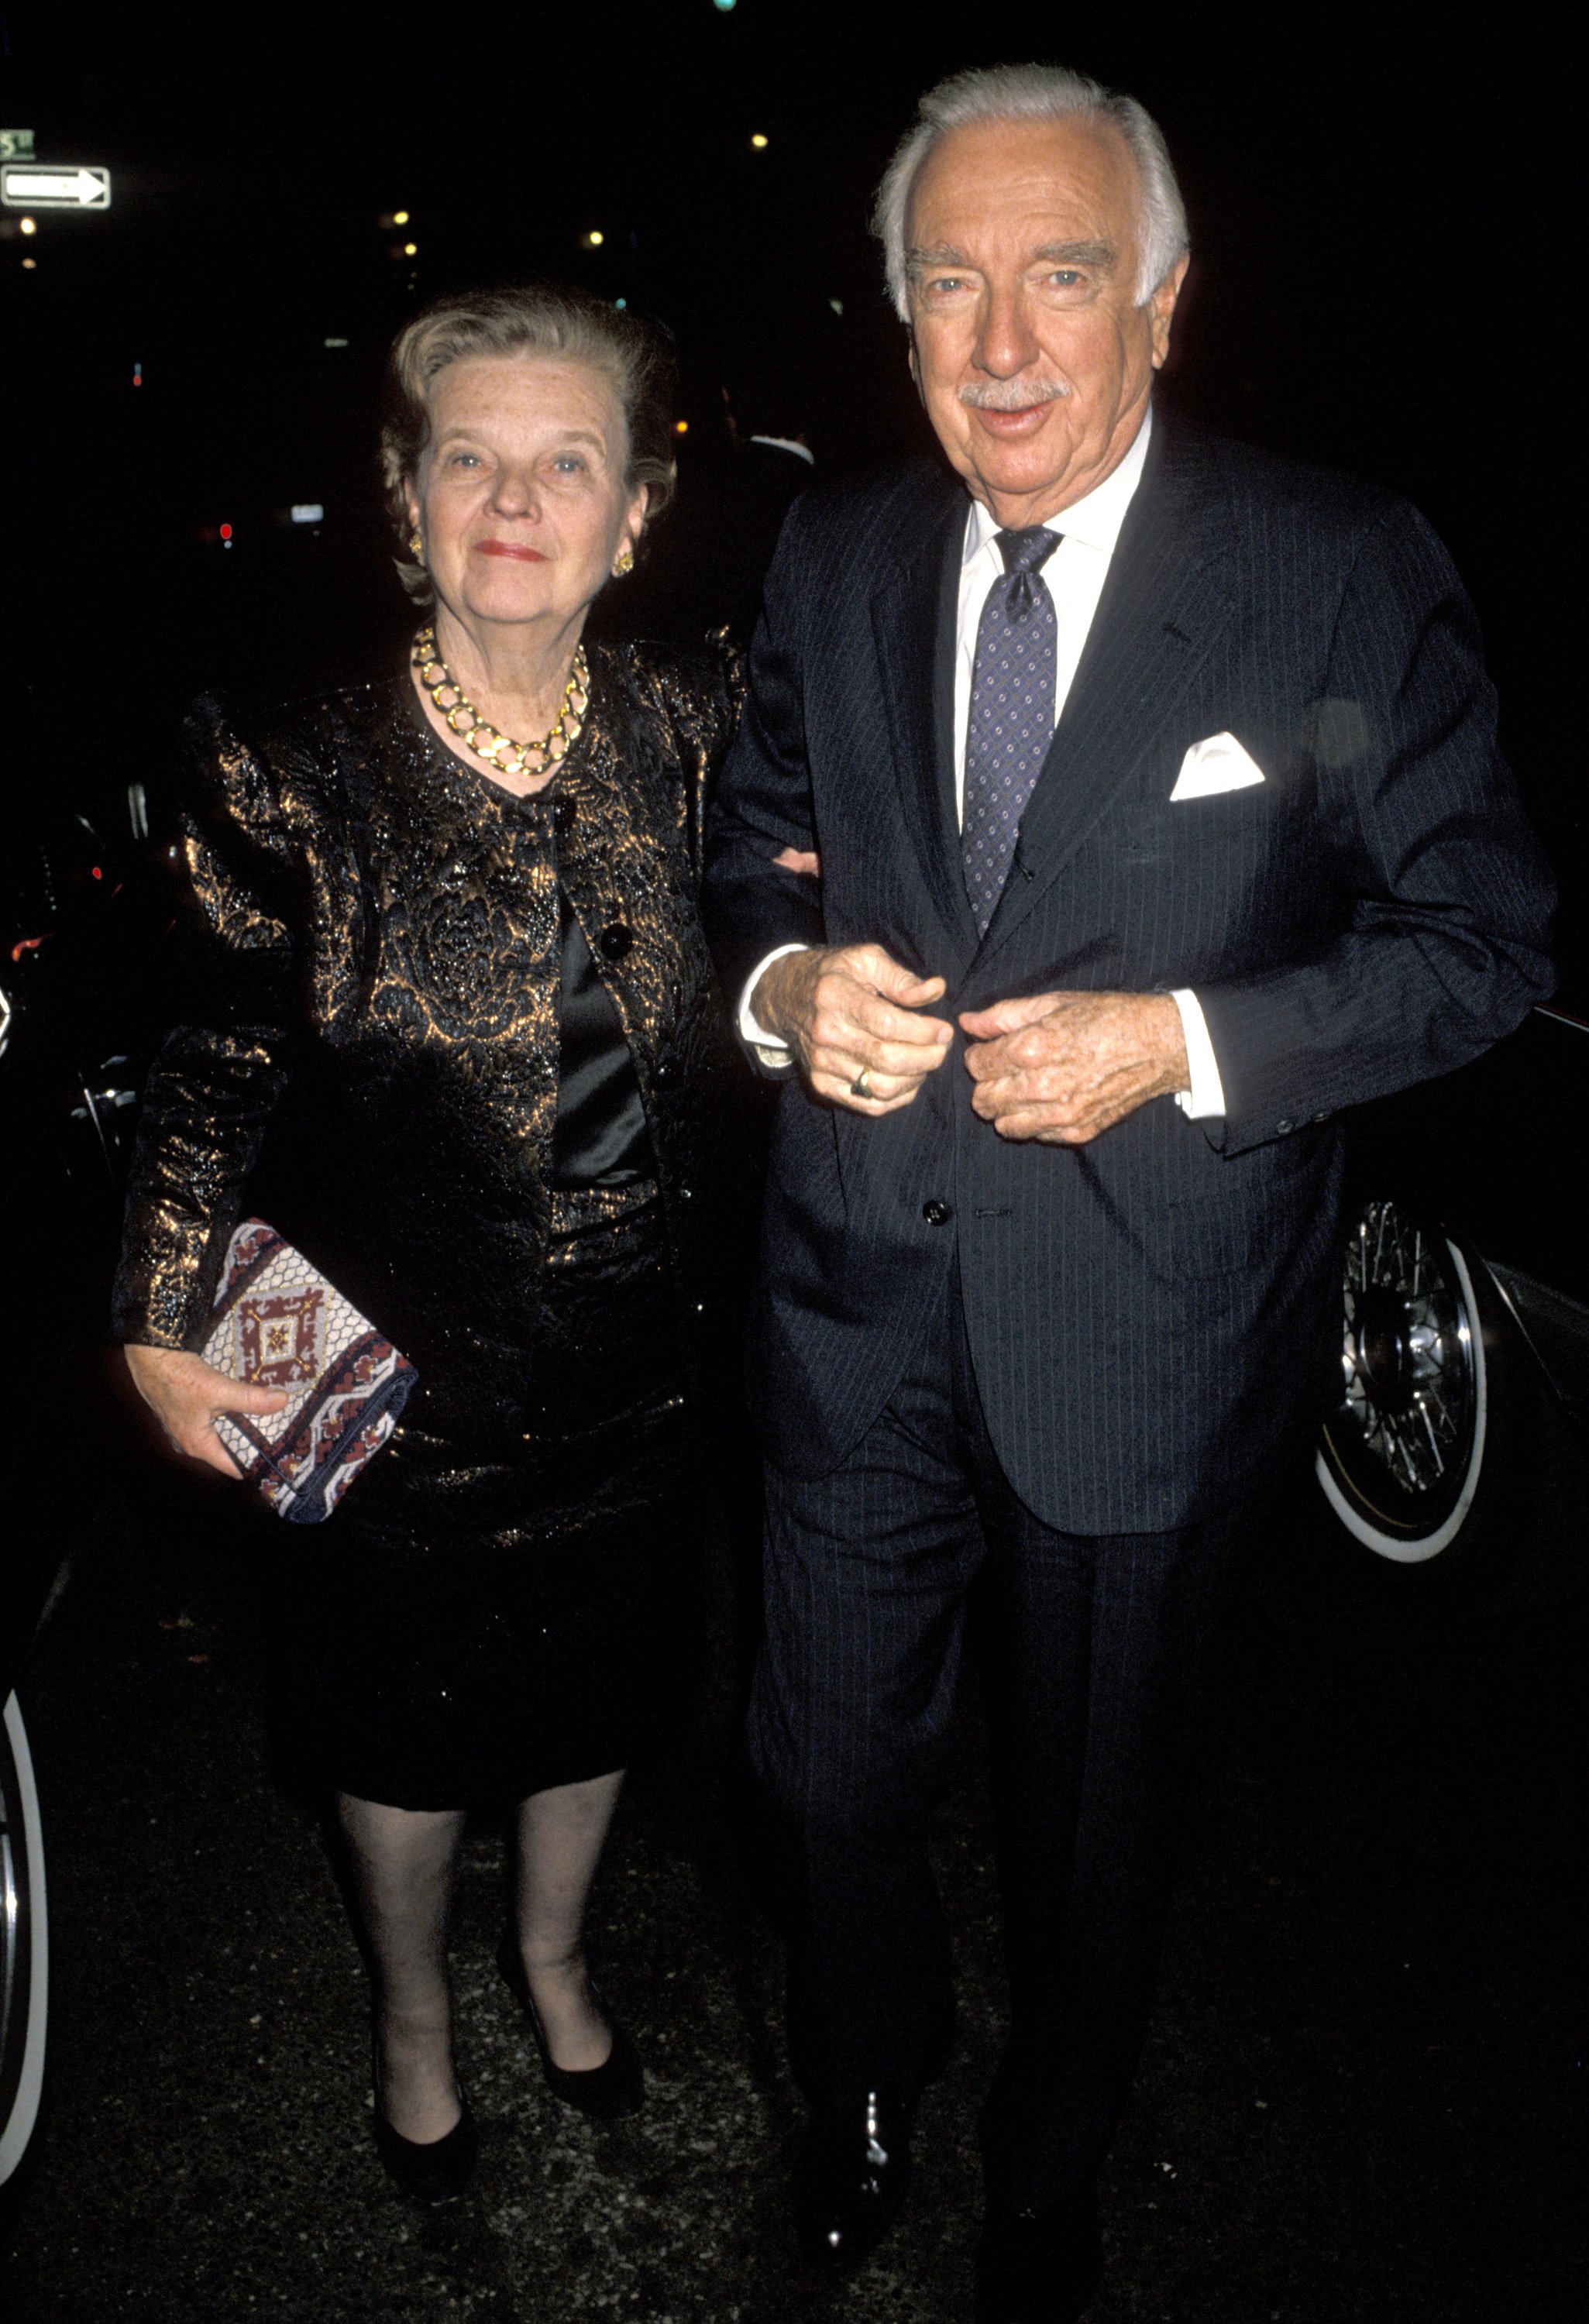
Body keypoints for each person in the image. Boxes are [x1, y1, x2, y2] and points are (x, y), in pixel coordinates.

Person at [702, 63, 1555, 2324]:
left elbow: (1481, 944)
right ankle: (862, 2076)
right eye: (948, 285)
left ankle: (1046, 2163)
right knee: (812, 1777)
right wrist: (790, 986)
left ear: (1161, 303)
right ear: (895, 325)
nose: (1000, 344)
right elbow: (748, 851)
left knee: (1097, 1824)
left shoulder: (1337, 564)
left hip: (1149, 1322)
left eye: (1058, 276)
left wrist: (1177, 1045)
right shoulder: (834, 550)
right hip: (852, 1290)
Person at [113, 283, 744, 2205]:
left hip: (649, 1380)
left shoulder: (705, 724)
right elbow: (203, 1076)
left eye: (569, 462)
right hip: (400, 1410)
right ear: (408, 498)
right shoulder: (287, 772)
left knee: (599, 1708)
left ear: (635, 511)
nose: (515, 499)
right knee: (399, 1749)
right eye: (469, 455)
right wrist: (151, 1316)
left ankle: (552, 1958)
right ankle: (407, 2011)